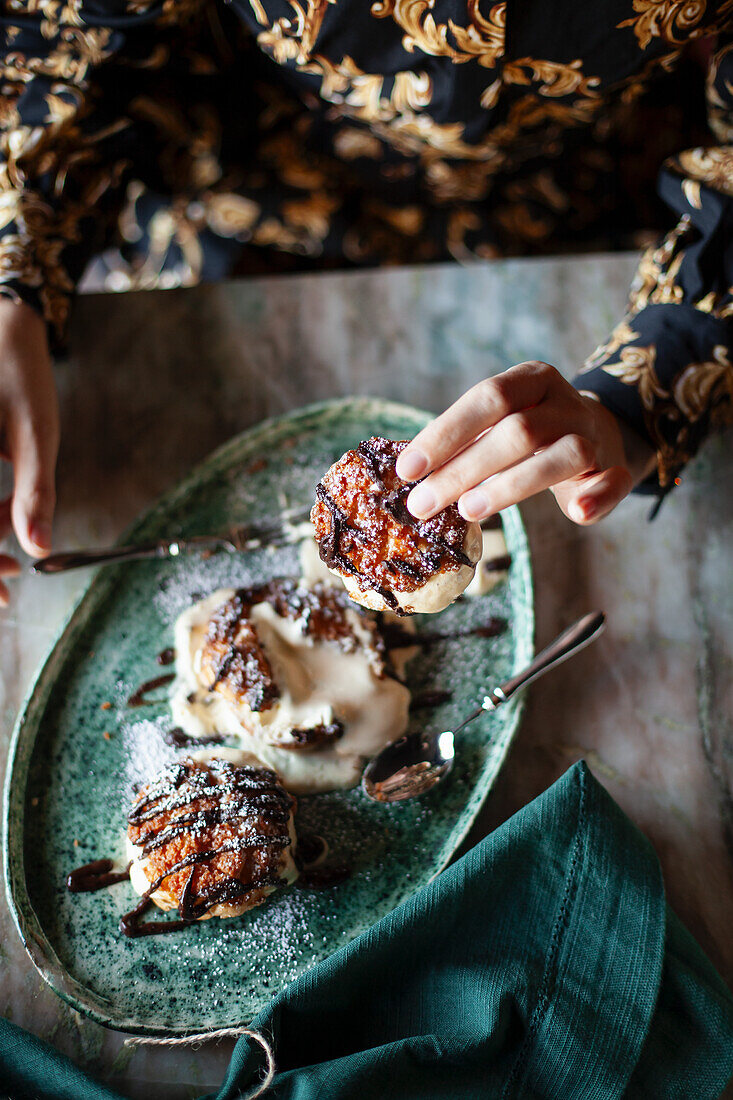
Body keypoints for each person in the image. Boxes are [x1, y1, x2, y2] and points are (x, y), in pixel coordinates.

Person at [1, 0, 732, 606]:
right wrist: (15, 269)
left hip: (585, 212)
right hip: (243, 190)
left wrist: (642, 393)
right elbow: (67, 35)